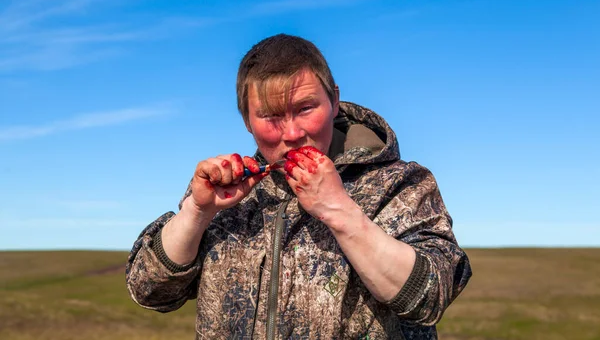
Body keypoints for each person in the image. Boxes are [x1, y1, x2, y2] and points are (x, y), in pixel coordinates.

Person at [126, 34, 472, 339]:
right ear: (247, 120)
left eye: (306, 108)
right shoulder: (228, 194)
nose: (291, 133)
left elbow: (430, 298)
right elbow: (149, 291)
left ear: (334, 101)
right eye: (271, 117)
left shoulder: (401, 184)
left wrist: (339, 210)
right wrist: (197, 212)